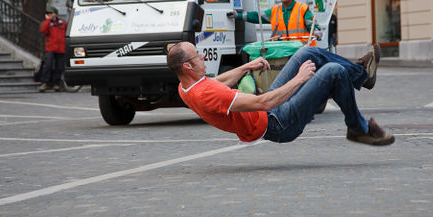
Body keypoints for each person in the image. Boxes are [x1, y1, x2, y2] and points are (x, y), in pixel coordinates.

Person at [166, 41, 395, 146]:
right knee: (333, 71)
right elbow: (263, 102)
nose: (203, 57)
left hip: (270, 112)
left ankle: (362, 75)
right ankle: (358, 129)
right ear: (187, 65)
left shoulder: (185, 85)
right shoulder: (205, 94)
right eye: (198, 56)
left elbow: (217, 81)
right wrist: (299, 78)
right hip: (278, 124)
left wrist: (247, 66)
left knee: (307, 52)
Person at [239, 0, 320, 46]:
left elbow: (313, 26)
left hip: (302, 51)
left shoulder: (302, 9)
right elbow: (256, 16)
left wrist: (316, 31)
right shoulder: (275, 10)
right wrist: (238, 15)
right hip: (283, 52)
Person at [39, 6, 68, 92]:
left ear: (55, 13)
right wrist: (48, 20)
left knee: (59, 67)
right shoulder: (47, 23)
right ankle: (45, 82)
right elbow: (43, 30)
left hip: (61, 48)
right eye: (48, 13)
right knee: (48, 65)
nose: (49, 15)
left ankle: (56, 83)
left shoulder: (62, 23)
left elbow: (67, 31)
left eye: (51, 13)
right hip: (50, 47)